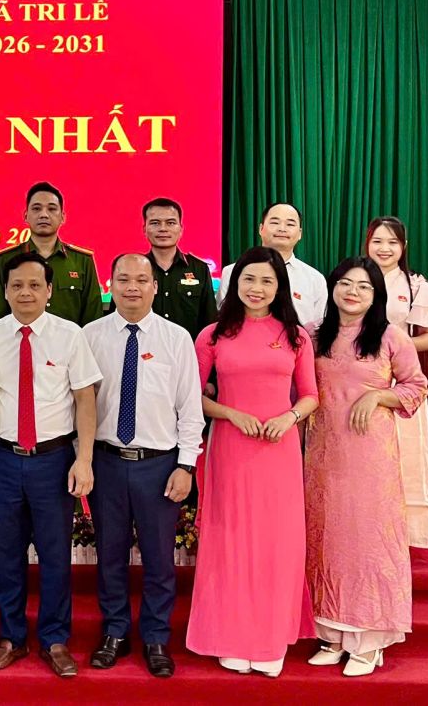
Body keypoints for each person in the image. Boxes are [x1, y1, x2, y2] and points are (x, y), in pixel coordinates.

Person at [186, 246, 318, 677]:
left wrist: (289, 417)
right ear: (234, 283)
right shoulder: (212, 336)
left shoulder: (296, 337)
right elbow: (192, 397)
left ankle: (269, 638)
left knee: (276, 544)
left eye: (266, 280)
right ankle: (231, 636)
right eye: (248, 279)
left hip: (279, 452)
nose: (256, 288)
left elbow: (310, 396)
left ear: (280, 287)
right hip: (230, 448)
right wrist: (229, 413)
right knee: (231, 542)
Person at [0, 253, 101, 678]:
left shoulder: (69, 335)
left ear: (48, 291)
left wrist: (84, 459)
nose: (25, 293)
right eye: (16, 286)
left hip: (54, 459)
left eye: (33, 285)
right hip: (4, 458)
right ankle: (10, 637)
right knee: (5, 553)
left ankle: (55, 639)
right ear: (5, 291)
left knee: (54, 554)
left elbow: (85, 400)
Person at [80, 255, 203, 678]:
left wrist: (186, 465)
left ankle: (155, 636)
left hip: (159, 466)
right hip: (106, 462)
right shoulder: (90, 336)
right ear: (110, 285)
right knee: (110, 555)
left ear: (154, 286)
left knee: (159, 558)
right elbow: (79, 405)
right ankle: (114, 631)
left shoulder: (176, 338)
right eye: (123, 279)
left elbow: (190, 409)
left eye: (141, 279)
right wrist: (82, 459)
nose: (132, 287)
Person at [306, 257, 428, 677]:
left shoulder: (390, 336)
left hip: (370, 455)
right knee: (326, 537)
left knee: (366, 539)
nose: (352, 292)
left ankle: (370, 641)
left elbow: (416, 386)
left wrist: (378, 396)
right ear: (333, 288)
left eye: (363, 286)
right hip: (322, 455)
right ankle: (331, 634)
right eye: (345, 283)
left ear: (376, 294)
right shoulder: (315, 334)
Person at [365, 216, 428, 547]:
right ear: (367, 244)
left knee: (403, 455)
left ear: (404, 247)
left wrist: (395, 347)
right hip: (358, 379)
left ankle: (403, 532)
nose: (384, 249)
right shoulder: (355, 279)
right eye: (377, 241)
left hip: (399, 380)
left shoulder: (415, 286)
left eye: (392, 242)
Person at [0, 182, 102, 326]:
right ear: (25, 216)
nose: (43, 214)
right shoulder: (5, 259)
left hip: (69, 340)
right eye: (36, 208)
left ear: (63, 217)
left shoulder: (82, 261)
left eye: (52, 209)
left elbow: (93, 319)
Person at [219, 203, 326, 329]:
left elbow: (318, 328)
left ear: (300, 234)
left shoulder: (315, 279)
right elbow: (223, 317)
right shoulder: (231, 271)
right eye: (275, 222)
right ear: (261, 229)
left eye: (290, 224)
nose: (282, 229)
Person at [142, 197, 218, 339]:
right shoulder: (134, 269)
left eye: (170, 223)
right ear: (144, 229)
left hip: (188, 349)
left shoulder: (199, 269)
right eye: (155, 223)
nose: (163, 228)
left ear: (181, 229)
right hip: (144, 349)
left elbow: (210, 321)